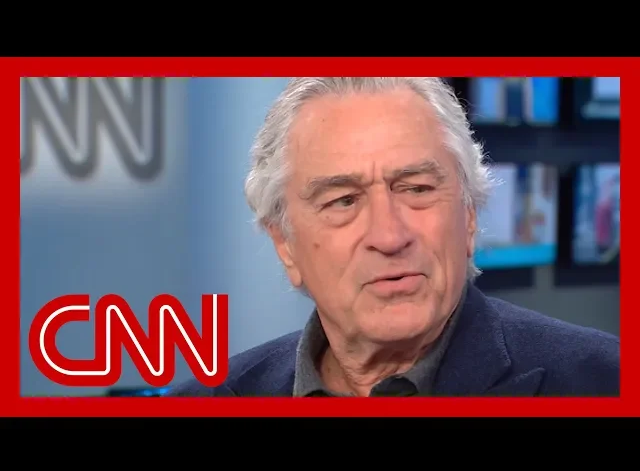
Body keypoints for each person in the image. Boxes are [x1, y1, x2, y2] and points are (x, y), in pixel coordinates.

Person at [170, 77, 619, 397]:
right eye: (343, 201)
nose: (389, 236)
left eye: (417, 189)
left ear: (468, 215)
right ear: (284, 244)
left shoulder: (605, 381)